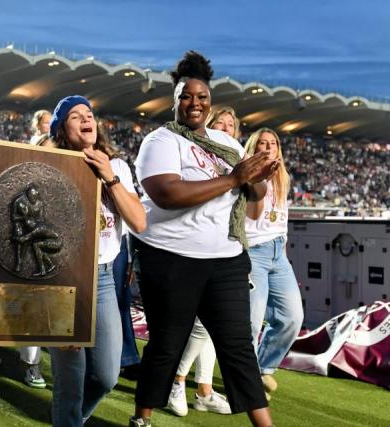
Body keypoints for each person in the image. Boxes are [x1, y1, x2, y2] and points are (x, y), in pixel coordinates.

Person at [129, 51, 277, 427]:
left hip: (225, 260)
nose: (194, 103)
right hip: (171, 258)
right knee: (166, 344)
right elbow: (168, 195)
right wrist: (234, 178)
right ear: (174, 100)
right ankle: (142, 418)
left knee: (239, 348)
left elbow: (254, 195)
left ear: (210, 102)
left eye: (202, 97)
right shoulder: (160, 141)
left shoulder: (226, 143)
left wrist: (260, 176)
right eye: (186, 96)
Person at [48, 95, 146, 426]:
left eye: (89, 114)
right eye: (75, 116)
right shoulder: (50, 164)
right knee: (70, 381)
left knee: (106, 376)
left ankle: (71, 420)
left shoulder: (116, 165)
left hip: (104, 278)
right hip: (62, 279)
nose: (85, 119)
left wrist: (109, 176)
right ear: (62, 128)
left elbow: (139, 222)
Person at [166, 105, 243, 417]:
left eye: (230, 125)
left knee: (213, 324)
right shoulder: (194, 158)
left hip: (228, 248)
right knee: (201, 324)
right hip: (192, 250)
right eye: (219, 124)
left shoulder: (236, 164)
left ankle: (204, 390)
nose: (225, 129)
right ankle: (177, 380)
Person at [244, 127, 303, 401]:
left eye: (273, 143)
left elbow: (282, 216)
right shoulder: (245, 173)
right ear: (254, 148)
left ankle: (263, 366)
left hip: (279, 252)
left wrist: (284, 245)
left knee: (293, 317)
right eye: (262, 143)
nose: (268, 147)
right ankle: (248, 382)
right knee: (252, 322)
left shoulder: (283, 178)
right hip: (254, 251)